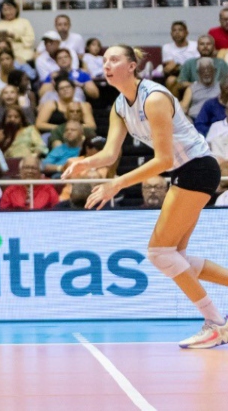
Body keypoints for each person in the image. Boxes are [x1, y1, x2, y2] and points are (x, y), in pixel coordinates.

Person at [64, 46, 227, 349]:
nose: (107, 65)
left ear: (132, 65)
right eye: (104, 61)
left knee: (159, 253)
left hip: (197, 168)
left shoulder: (153, 98)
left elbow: (163, 160)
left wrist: (117, 183)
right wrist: (87, 163)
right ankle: (216, 322)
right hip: (185, 171)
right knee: (173, 257)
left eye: (114, 60)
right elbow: (112, 152)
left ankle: (216, 323)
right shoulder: (118, 106)